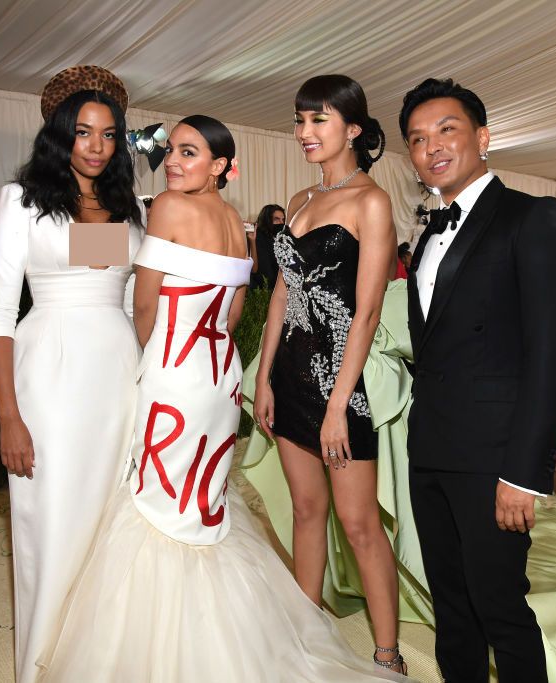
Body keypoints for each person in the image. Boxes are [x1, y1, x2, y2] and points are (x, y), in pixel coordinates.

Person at [38, 115, 402, 682]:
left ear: (219, 166)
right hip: (220, 377)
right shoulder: (235, 221)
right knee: (202, 503)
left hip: (175, 371)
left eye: (189, 152)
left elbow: (143, 307)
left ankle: (166, 645)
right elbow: (233, 314)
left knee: (157, 500)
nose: (174, 163)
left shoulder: (167, 207)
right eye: (172, 153)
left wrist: (146, 358)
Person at [401, 77, 556, 682]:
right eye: (418, 139)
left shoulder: (534, 218)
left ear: (482, 136)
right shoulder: (427, 233)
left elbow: (550, 354)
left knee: (499, 605)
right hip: (431, 448)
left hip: (494, 456)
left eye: (446, 130)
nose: (432, 148)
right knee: (451, 608)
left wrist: (523, 473)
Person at [0, 65, 146, 683]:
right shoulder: (22, 202)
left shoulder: (127, 209)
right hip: (48, 376)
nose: (97, 146)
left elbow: (131, 306)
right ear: (59, 135)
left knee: (113, 520)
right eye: (83, 132)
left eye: (108, 134)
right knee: (52, 523)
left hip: (118, 378)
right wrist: (8, 417)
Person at [251, 75, 407, 674]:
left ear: (354, 129)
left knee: (361, 524)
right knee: (306, 511)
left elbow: (367, 310)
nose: (304, 133)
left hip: (343, 388)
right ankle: (303, 632)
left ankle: (388, 653)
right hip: (290, 376)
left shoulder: (372, 202)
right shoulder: (297, 201)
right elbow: (282, 298)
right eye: (299, 120)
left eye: (318, 120)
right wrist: (263, 378)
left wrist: (340, 403)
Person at [252, 203, 286, 288]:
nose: (281, 223)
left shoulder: (282, 238)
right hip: (259, 290)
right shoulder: (257, 237)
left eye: (283, 220)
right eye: (277, 219)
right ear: (267, 220)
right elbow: (258, 268)